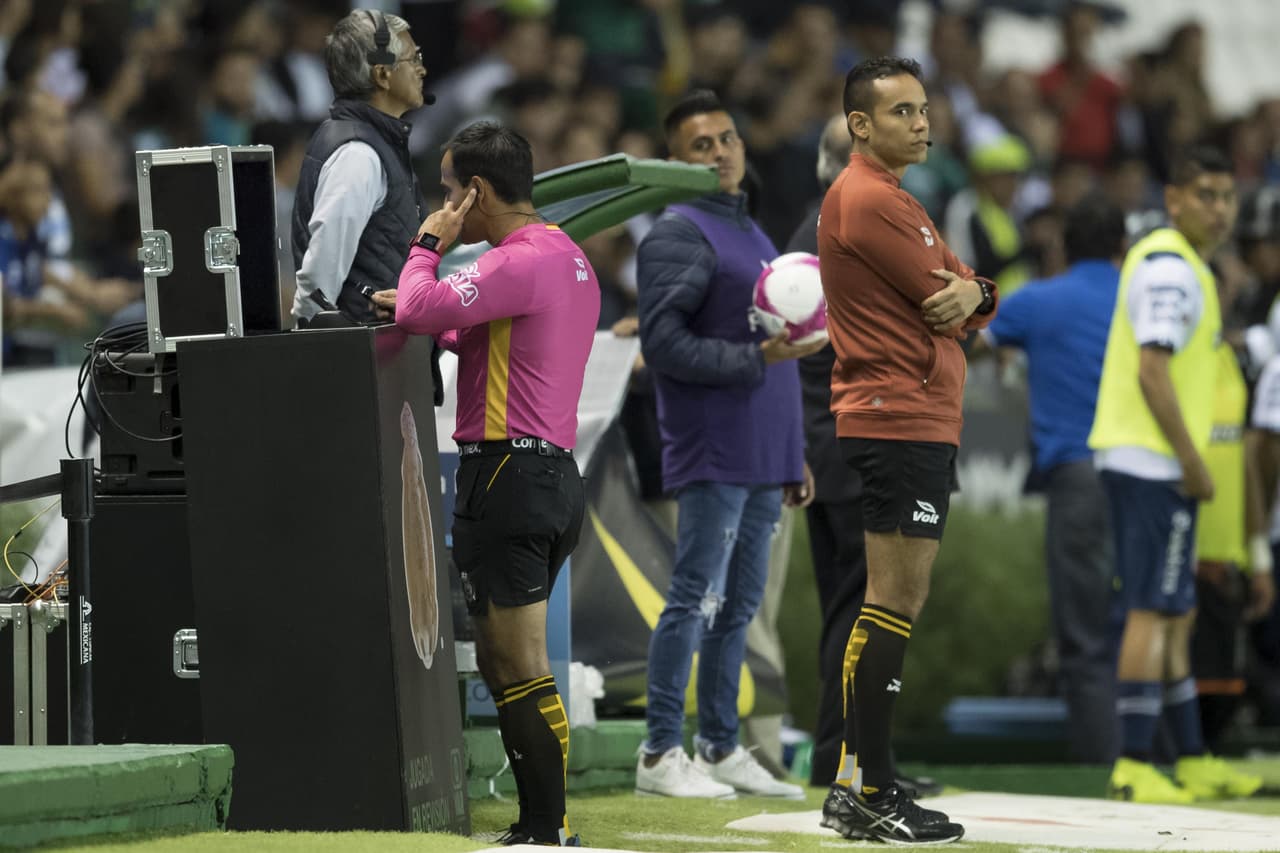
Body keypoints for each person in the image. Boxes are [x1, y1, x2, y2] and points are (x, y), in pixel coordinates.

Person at [374, 121, 596, 847]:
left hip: (506, 473)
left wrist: (425, 249)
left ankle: (545, 824)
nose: (445, 203)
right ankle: (541, 821)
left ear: (475, 189)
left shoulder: (516, 260)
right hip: (550, 472)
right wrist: (432, 318)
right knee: (510, 660)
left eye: (448, 190)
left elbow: (420, 304)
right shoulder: (567, 257)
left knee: (517, 662)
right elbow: (482, 332)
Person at [817, 56, 998, 844]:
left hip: (904, 416)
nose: (921, 123)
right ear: (861, 124)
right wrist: (974, 298)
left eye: (923, 110)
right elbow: (945, 302)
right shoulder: (870, 200)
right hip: (899, 417)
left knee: (887, 601)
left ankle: (856, 783)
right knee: (893, 601)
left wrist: (981, 292)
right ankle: (871, 788)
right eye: (903, 113)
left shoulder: (892, 197)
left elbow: (969, 292)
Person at [633, 89, 820, 801]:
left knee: (738, 605)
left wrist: (792, 448)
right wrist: (754, 365)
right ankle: (658, 751)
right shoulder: (677, 232)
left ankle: (716, 743)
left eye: (728, 139)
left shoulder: (752, 231)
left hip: (764, 449)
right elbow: (664, 344)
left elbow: (779, 348)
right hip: (711, 444)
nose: (720, 153)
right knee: (694, 599)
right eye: (701, 145)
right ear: (674, 163)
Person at [1089, 145, 1261, 803]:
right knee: (1150, 610)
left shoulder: (1185, 264)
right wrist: (1193, 463)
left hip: (1157, 464)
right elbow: (1152, 372)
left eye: (1227, 195)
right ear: (1174, 199)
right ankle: (1134, 764)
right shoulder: (1170, 269)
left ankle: (1189, 756)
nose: (1219, 209)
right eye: (1206, 195)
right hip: (1150, 464)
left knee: (1176, 611)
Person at [978, 196, 1127, 763]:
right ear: (1122, 247)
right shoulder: (1140, 302)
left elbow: (976, 340)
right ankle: (1154, 756)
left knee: (1084, 636)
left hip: (1077, 477)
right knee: (1144, 621)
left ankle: (1104, 766)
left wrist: (1006, 358)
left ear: (1063, 245)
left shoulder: (1038, 300)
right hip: (1144, 478)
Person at [291, 9, 428, 328]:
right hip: (361, 361)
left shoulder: (375, 142)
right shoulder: (358, 155)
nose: (422, 69)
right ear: (382, 75)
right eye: (414, 58)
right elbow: (318, 283)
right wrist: (306, 347)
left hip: (383, 354)